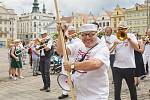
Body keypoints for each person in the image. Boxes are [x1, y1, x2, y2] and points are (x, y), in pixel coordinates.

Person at [56, 24, 110, 100]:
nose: (87, 37)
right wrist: (61, 33)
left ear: (96, 34)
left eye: (91, 35)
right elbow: (61, 51)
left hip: (97, 95)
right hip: (80, 94)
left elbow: (95, 64)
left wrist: (72, 66)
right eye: (84, 35)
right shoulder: (79, 44)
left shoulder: (102, 48)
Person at [113, 21, 139, 100]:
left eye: (123, 29)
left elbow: (137, 48)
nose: (121, 30)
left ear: (126, 29)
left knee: (132, 88)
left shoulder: (131, 36)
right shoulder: (115, 37)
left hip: (129, 66)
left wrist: (129, 39)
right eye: (119, 29)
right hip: (117, 66)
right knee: (117, 89)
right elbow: (109, 51)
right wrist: (114, 44)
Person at [58, 25, 81, 99]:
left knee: (73, 77)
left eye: (72, 31)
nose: (71, 32)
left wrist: (71, 39)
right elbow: (61, 48)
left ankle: (74, 92)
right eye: (70, 31)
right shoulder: (66, 39)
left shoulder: (78, 40)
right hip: (65, 59)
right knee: (64, 75)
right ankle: (64, 92)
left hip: (73, 60)